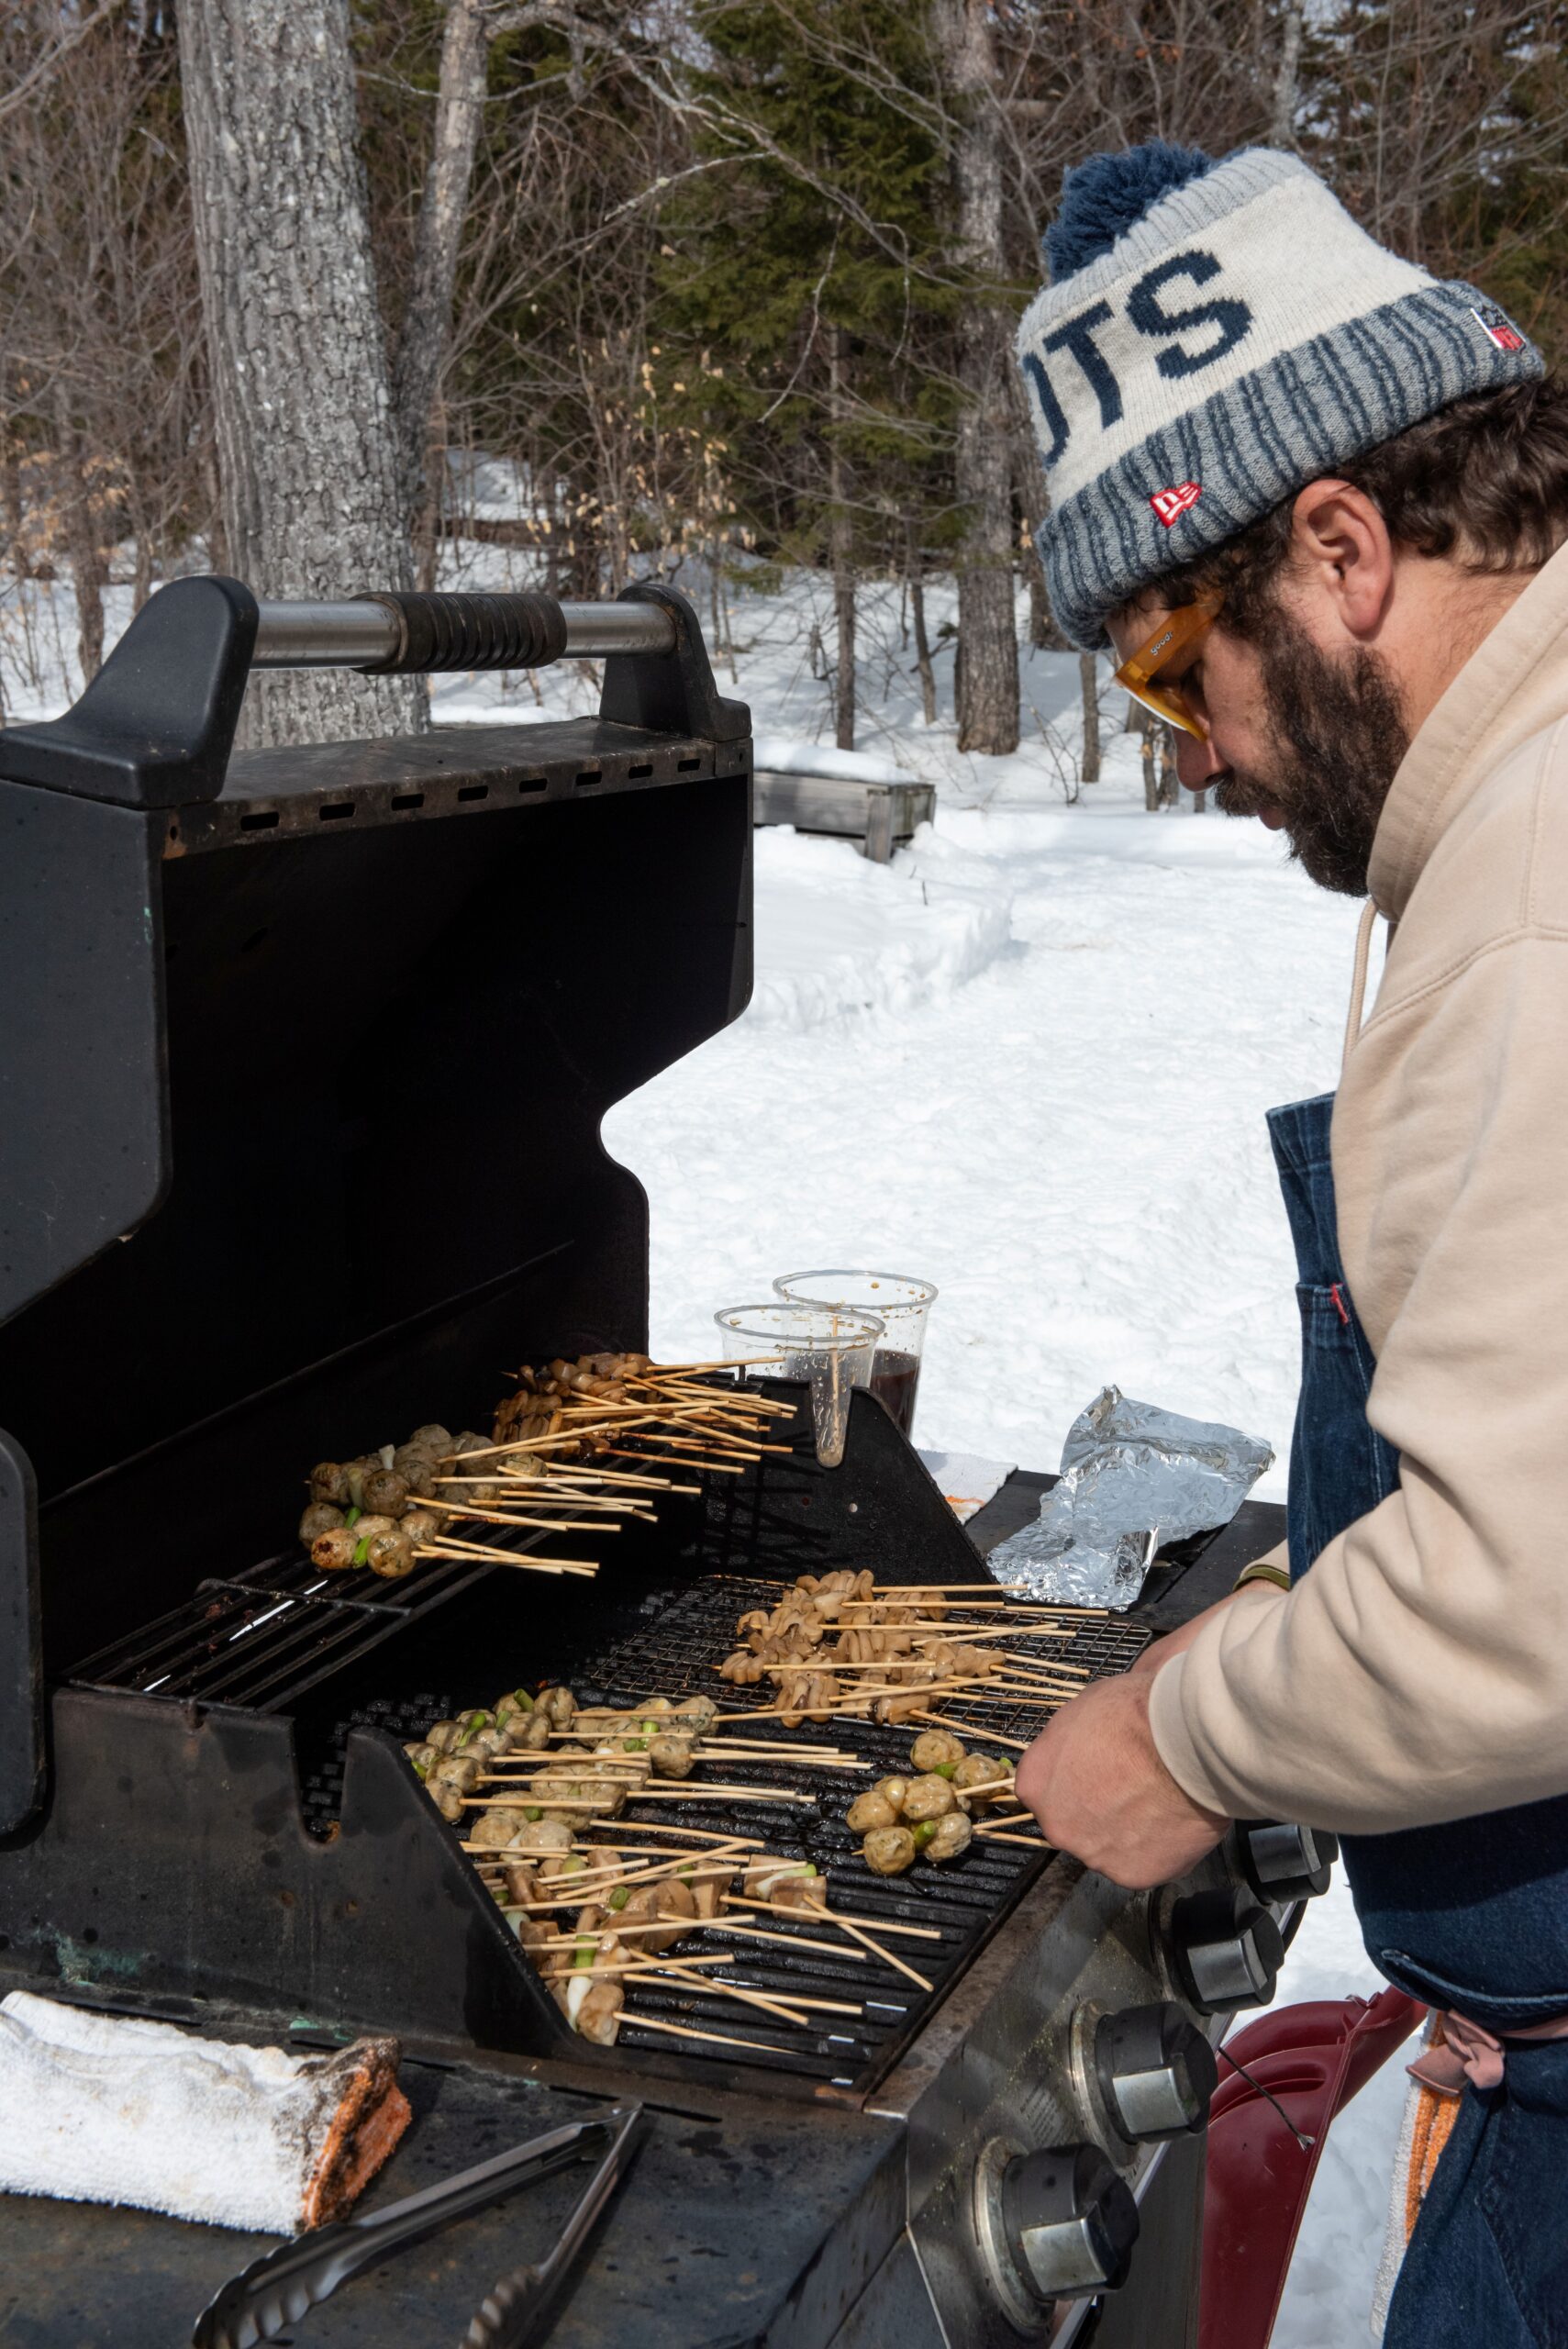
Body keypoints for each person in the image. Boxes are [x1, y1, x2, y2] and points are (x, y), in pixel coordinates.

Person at [1009, 139, 1568, 2344]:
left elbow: (1528, 1599)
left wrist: (1193, 1732)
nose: (1191, 758)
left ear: (1341, 550)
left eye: (1176, 672)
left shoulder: (1533, 902)